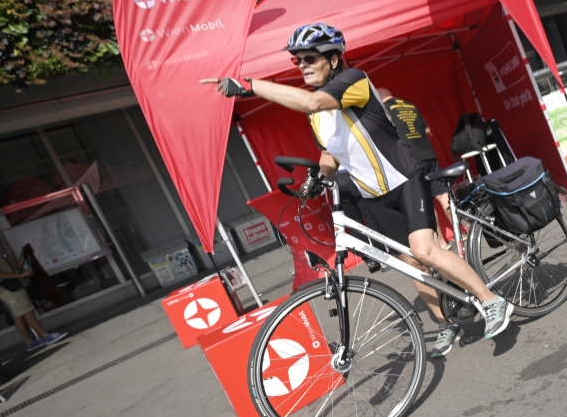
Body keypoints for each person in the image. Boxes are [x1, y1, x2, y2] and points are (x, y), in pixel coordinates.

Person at [202, 23, 511, 357]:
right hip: (373, 195)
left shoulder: (353, 81)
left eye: (310, 57)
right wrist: (318, 176)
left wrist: (250, 86)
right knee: (410, 263)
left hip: (404, 179)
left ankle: (492, 301)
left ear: (334, 59)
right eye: (297, 61)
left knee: (425, 250)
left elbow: (312, 103)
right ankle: (445, 323)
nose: (302, 65)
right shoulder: (317, 114)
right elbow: (329, 152)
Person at [375, 88, 455, 245]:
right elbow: (427, 130)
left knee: (424, 200)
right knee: (443, 194)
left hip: (410, 160)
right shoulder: (409, 105)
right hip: (429, 154)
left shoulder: (384, 110)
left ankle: (441, 241)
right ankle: (460, 231)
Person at [0, 234, 67, 351]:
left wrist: (24, 253)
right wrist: (20, 275)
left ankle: (30, 342)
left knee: (19, 316)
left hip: (15, 287)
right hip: (8, 289)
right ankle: (46, 336)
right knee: (28, 312)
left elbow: (17, 265)